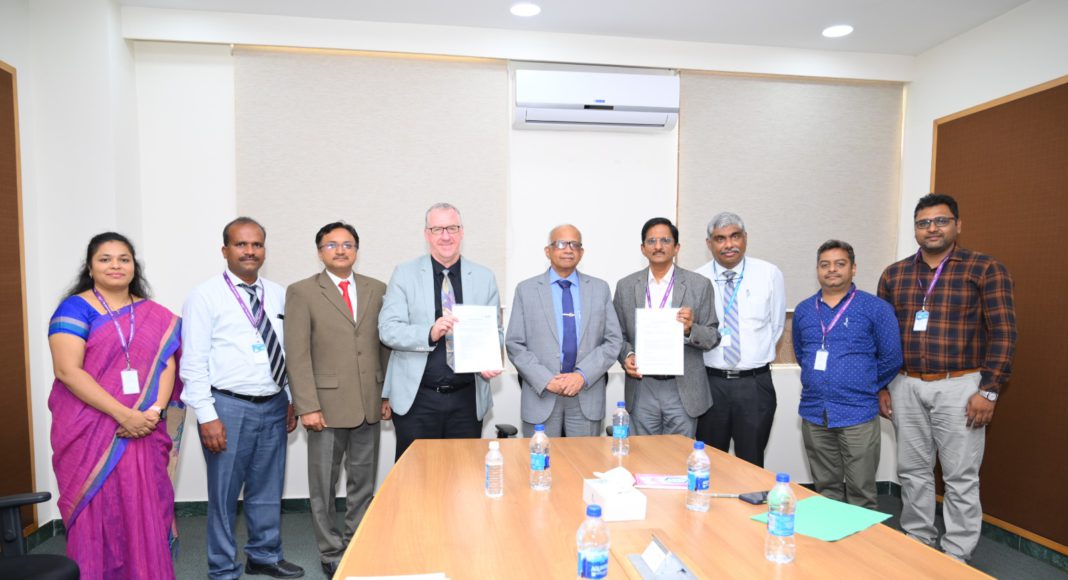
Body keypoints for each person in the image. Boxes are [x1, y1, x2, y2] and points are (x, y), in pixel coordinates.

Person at [878, 193, 1017, 562]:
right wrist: (883, 386)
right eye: (924, 223)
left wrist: (988, 392)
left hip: (961, 386)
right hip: (905, 384)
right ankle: (917, 537)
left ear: (958, 225)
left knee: (960, 476)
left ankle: (956, 553)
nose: (932, 228)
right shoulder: (895, 274)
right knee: (912, 470)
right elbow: (884, 336)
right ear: (915, 230)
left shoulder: (984, 269)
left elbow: (1004, 333)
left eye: (940, 221)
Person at [48, 232, 182, 580]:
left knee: (144, 508)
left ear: (134, 266)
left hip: (144, 429)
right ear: (90, 267)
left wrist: (151, 414)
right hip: (91, 427)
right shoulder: (74, 309)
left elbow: (167, 363)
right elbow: (67, 370)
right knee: (99, 511)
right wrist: (124, 414)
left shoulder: (154, 314)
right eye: (105, 259)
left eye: (124, 258)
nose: (115, 265)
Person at [180, 217, 303, 579]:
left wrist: (292, 398)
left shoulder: (279, 294)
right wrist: (206, 415)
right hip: (227, 407)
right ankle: (222, 568)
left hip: (274, 403)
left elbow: (290, 352)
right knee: (223, 494)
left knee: (267, 488)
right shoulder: (204, 296)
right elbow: (193, 361)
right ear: (225, 250)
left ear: (264, 249)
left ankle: (264, 555)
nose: (250, 251)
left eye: (257, 245)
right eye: (241, 244)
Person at [284, 222, 390, 577]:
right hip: (325, 407)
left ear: (357, 250)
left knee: (364, 481)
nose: (340, 250)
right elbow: (296, 354)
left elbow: (384, 345)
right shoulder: (302, 292)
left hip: (369, 402)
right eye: (332, 245)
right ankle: (330, 551)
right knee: (323, 486)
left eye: (347, 244)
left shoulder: (377, 289)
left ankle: (357, 539)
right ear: (320, 252)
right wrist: (306, 405)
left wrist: (385, 392)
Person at [379, 202, 502, 460]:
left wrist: (489, 359)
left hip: (466, 400)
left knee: (464, 480)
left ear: (462, 232)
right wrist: (430, 333)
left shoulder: (483, 276)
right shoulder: (405, 274)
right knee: (415, 481)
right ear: (427, 235)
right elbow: (388, 330)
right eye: (437, 229)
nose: (446, 236)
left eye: (452, 228)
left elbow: (495, 331)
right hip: (418, 399)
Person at [792, 240, 902, 509]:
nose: (832, 270)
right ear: (817, 269)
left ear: (853, 269)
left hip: (857, 412)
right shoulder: (805, 310)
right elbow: (801, 352)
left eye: (840, 264)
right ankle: (832, 547)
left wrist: (866, 384)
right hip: (815, 411)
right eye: (825, 264)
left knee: (861, 491)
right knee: (825, 488)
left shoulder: (875, 308)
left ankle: (863, 547)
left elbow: (891, 357)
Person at [506, 224, 623, 437]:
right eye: (561, 244)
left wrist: (582, 375)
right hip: (541, 394)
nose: (568, 249)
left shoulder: (600, 289)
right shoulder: (526, 290)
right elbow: (515, 343)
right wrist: (546, 380)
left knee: (584, 465)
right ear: (548, 251)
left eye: (574, 244)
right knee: (539, 464)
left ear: (581, 252)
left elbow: (613, 340)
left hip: (585, 393)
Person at [694, 212, 786, 467]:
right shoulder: (696, 280)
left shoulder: (769, 274)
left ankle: (753, 506)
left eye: (735, 236)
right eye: (720, 238)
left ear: (745, 238)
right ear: (709, 243)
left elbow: (776, 326)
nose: (728, 244)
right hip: (711, 384)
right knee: (710, 463)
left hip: (754, 385)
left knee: (752, 462)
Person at [613, 217, 718, 437]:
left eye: (665, 240)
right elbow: (616, 335)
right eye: (651, 241)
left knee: (679, 460)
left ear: (676, 247)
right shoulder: (626, 286)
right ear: (643, 249)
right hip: (643, 387)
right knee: (643, 459)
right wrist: (627, 355)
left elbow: (712, 337)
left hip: (683, 388)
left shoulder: (699, 285)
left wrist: (690, 329)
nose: (658, 246)